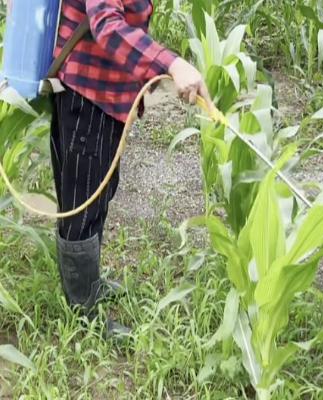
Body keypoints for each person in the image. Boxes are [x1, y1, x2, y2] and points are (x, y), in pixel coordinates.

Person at [51, 0, 212, 335]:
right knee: (81, 202)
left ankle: (89, 281)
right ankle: (82, 312)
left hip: (110, 93)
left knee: (103, 187)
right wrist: (172, 62)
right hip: (87, 94)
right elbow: (107, 25)